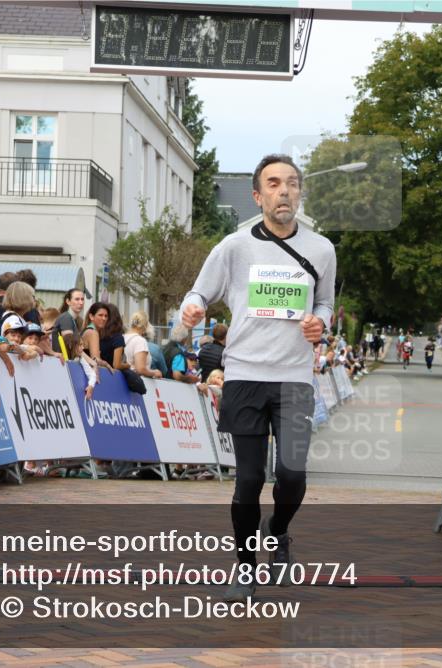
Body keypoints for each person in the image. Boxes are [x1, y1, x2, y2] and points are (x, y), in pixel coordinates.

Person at [178, 154, 335, 602]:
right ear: (257, 195)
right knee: (248, 480)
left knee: (292, 474)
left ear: (299, 192)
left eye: (292, 183)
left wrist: (320, 323)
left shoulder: (322, 249)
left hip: (294, 377)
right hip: (245, 374)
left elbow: (324, 303)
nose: (284, 190)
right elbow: (199, 291)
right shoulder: (233, 246)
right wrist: (192, 307)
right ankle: (245, 568)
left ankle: (278, 529)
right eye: (273, 183)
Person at [125, 311, 163, 379]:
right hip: (137, 381)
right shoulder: (140, 341)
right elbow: (140, 369)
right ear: (145, 325)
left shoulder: (123, 337)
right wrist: (154, 372)